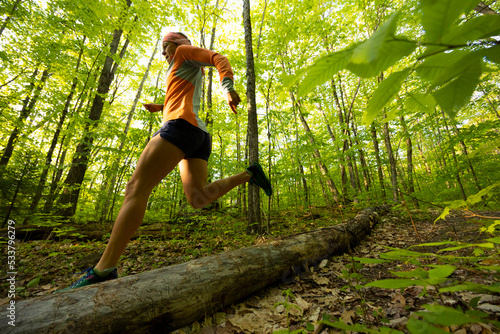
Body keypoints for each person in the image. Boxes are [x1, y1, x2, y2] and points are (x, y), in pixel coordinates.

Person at [57, 32, 272, 291]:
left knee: (135, 188)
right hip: (198, 135)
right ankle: (248, 175)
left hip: (180, 128)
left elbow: (218, 58)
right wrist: (160, 106)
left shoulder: (184, 52)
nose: (163, 53)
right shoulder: (181, 68)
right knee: (199, 198)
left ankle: (103, 270)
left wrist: (227, 89)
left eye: (166, 46)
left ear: (179, 44)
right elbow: (181, 96)